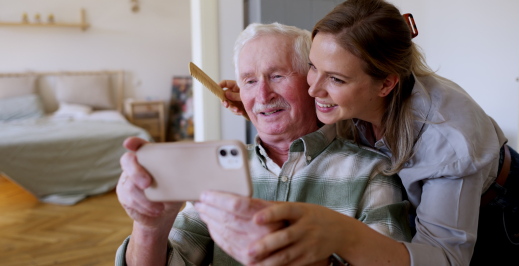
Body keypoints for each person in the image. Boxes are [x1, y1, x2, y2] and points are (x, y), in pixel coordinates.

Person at [211, 0, 519, 265]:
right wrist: (266, 105)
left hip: (504, 208)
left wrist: (341, 235)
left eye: (336, 79)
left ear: (385, 84)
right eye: (313, 67)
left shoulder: (448, 141)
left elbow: (446, 259)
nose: (314, 89)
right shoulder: (350, 90)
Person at [114, 22, 412, 265]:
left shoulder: (372, 172)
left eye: (277, 76)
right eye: (249, 81)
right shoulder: (218, 171)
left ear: (312, 83)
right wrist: (150, 227)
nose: (263, 95)